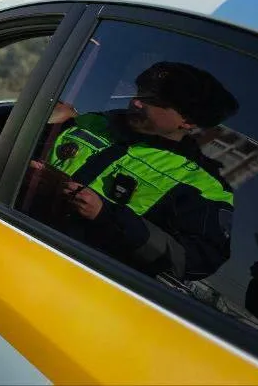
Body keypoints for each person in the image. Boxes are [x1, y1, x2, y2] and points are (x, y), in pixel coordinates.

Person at [27, 61, 238, 281]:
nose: (136, 102)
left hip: (82, 280)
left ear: (187, 120)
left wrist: (105, 216)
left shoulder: (201, 182)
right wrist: (41, 120)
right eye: (140, 92)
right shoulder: (88, 122)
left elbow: (196, 261)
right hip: (18, 242)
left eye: (154, 101)